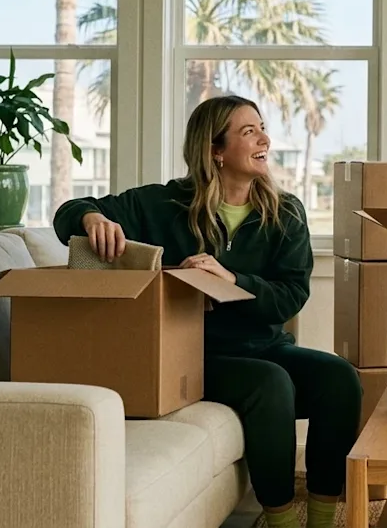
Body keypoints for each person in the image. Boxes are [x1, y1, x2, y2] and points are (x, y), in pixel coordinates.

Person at [54, 95, 363, 528]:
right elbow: (68, 212)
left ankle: (323, 516)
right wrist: (90, 219)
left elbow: (291, 294)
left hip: (264, 345)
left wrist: (232, 279)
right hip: (196, 356)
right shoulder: (163, 204)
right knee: (271, 384)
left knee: (340, 378)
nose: (265, 139)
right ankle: (280, 520)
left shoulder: (285, 211)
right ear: (215, 151)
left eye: (262, 127)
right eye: (248, 131)